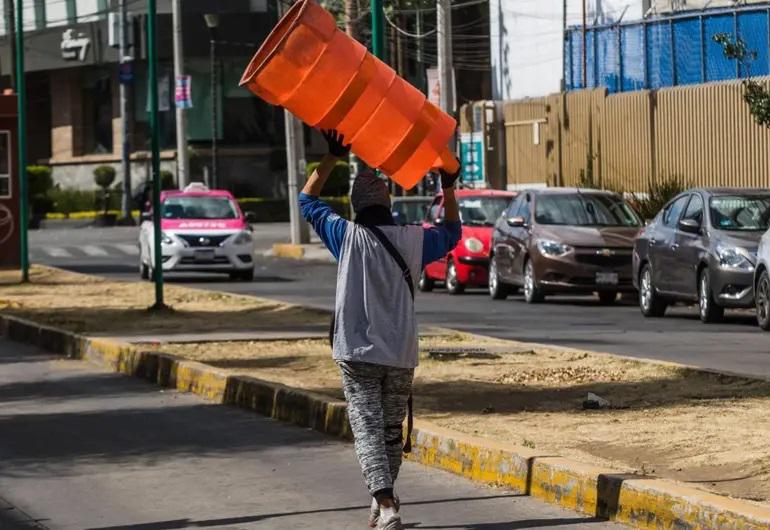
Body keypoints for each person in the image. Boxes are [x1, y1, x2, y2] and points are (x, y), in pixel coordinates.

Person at [299, 130, 462, 530]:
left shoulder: (346, 236)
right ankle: (384, 500)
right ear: (388, 203)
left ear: (357, 207)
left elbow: (307, 201)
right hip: (401, 352)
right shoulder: (413, 240)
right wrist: (447, 187)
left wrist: (332, 157)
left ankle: (386, 502)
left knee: (367, 427)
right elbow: (454, 232)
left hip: (356, 352)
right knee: (390, 431)